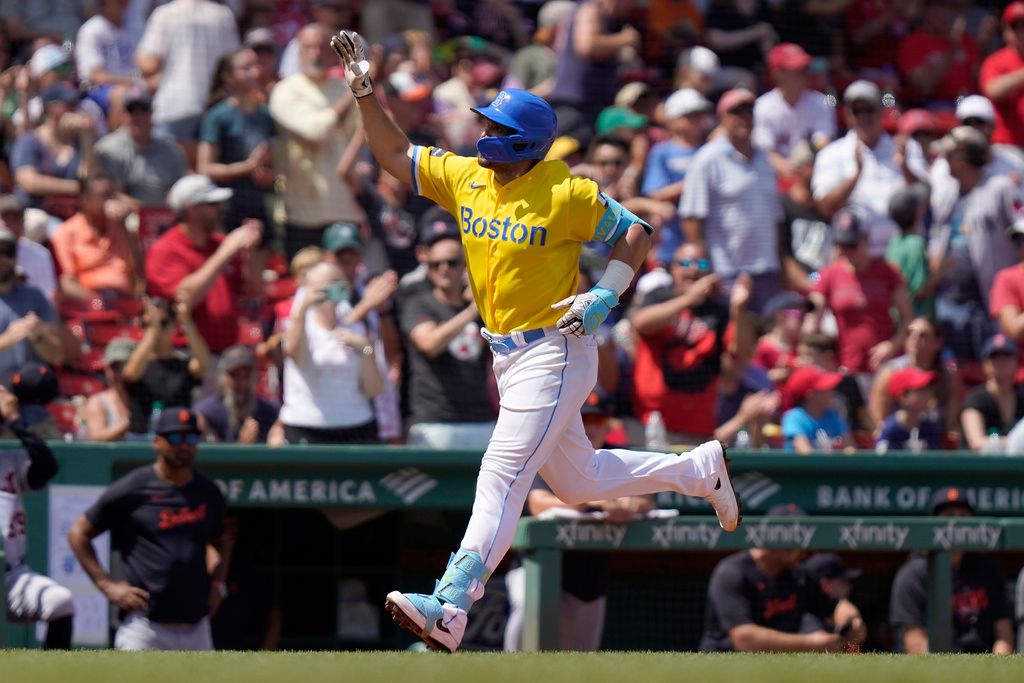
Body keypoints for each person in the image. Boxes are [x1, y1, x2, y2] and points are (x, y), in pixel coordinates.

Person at [330, 30, 740, 653]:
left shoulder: (562, 190)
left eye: (495, 126)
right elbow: (395, 153)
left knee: (501, 473)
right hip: (508, 355)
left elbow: (635, 232)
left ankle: (451, 604)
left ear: (523, 140)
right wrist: (365, 90)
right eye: (485, 122)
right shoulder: (467, 176)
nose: (483, 132)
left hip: (556, 348)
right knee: (578, 482)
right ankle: (695, 470)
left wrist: (606, 294)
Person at [67, 408, 230, 651]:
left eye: (190, 438)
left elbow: (221, 539)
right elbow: (78, 533)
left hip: (196, 625)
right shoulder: (135, 486)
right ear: (157, 442)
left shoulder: (207, 491)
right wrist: (106, 585)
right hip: (145, 626)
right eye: (175, 438)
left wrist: (218, 584)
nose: (183, 445)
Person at [503, 391, 654, 651]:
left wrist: (628, 505)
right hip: (538, 564)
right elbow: (538, 503)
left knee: (581, 659)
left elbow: (647, 500)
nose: (591, 428)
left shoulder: (615, 456)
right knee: (527, 622)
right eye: (585, 420)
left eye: (598, 421)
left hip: (589, 572)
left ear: (607, 425)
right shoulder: (549, 449)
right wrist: (592, 499)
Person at [630, 242, 755, 443]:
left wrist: (739, 309)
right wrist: (688, 300)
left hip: (697, 426)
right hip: (652, 423)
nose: (694, 269)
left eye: (702, 264)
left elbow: (741, 351)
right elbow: (641, 323)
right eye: (686, 263)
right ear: (673, 268)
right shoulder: (660, 295)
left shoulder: (718, 310)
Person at [700, 503, 867, 652]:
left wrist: (852, 620)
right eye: (795, 541)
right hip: (724, 665)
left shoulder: (799, 574)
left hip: (773, 667)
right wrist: (812, 644)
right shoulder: (732, 572)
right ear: (775, 536)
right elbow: (744, 639)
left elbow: (837, 606)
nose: (801, 550)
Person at [680, 88, 783, 316]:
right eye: (736, 112)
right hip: (727, 272)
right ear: (722, 118)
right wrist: (706, 270)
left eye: (749, 111)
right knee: (733, 335)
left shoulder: (765, 158)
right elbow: (691, 218)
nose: (744, 117)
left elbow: (775, 218)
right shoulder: (707, 159)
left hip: (767, 270)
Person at [269, 23, 364, 258]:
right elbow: (316, 132)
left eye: (321, 47)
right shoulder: (285, 91)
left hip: (347, 209)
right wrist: (353, 93)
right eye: (308, 47)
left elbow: (363, 134)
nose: (315, 54)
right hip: (304, 213)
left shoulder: (343, 87)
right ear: (298, 52)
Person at [145, 175, 262, 356]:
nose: (220, 209)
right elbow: (185, 297)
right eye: (212, 204)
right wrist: (226, 252)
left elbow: (253, 292)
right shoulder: (165, 249)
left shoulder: (220, 244)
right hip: (186, 353)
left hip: (227, 351)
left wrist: (251, 252)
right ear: (190, 209)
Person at [928, 126, 1018, 361]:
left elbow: (1021, 228)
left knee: (992, 362)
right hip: (951, 297)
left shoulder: (1000, 188)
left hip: (988, 298)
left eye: (949, 155)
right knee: (957, 367)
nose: (944, 160)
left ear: (963, 159)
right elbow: (936, 236)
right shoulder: (949, 193)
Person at [399, 229, 495, 449]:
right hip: (434, 421)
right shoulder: (418, 303)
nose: (444, 269)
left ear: (465, 266)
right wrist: (471, 311)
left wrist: (483, 298)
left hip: (480, 418)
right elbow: (430, 344)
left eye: (452, 263)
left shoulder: (481, 307)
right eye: (435, 264)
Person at [890, 486, 1014, 654]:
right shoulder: (913, 573)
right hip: (934, 663)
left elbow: (1004, 635)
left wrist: (997, 666)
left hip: (983, 661)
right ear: (934, 522)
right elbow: (915, 642)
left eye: (963, 517)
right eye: (949, 516)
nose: (956, 523)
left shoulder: (988, 568)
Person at [812, 80, 928, 257]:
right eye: (857, 111)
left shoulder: (907, 148)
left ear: (881, 111)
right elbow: (824, 207)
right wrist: (855, 177)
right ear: (847, 114)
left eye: (869, 110)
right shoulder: (831, 153)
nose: (863, 117)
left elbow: (926, 196)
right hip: (856, 259)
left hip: (900, 255)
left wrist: (904, 167)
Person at [1, 383, 74, 649]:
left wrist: (16, 421)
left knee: (60, 602)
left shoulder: (9, 460)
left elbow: (47, 466)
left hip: (10, 575)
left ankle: (51, 671)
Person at [280, 261, 383, 444]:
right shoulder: (300, 327)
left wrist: (364, 347)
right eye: (321, 287)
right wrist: (303, 308)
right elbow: (294, 354)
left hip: (355, 425)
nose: (328, 292)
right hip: (307, 425)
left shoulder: (357, 328)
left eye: (334, 285)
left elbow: (374, 388)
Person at [810, 207, 913, 379]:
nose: (847, 251)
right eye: (842, 245)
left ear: (866, 239)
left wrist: (892, 346)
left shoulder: (887, 272)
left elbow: (908, 319)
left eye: (852, 245)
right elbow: (813, 316)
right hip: (847, 366)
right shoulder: (829, 275)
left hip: (885, 366)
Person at [135, 0, 240, 157]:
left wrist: (138, 57)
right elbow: (234, 62)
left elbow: (148, 64)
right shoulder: (223, 15)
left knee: (167, 166)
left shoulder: (166, 13)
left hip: (174, 105)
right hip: (213, 104)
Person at [198, 47, 277, 233]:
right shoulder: (217, 116)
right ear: (229, 78)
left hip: (259, 205)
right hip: (228, 208)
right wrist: (248, 166)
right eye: (246, 68)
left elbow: (274, 165)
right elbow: (206, 168)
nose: (255, 72)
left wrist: (270, 176)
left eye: (256, 66)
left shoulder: (265, 115)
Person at [547, 0, 642, 147]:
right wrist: (626, 39)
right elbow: (588, 45)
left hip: (590, 108)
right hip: (574, 107)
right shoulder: (593, 9)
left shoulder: (610, 20)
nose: (631, 5)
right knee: (562, 153)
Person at [122, 298, 210, 439]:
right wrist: (152, 331)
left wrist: (187, 323)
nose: (158, 330)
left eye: (163, 323)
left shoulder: (182, 364)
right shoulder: (135, 361)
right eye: (147, 324)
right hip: (142, 439)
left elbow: (203, 365)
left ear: (174, 326)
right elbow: (131, 374)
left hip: (177, 439)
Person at [641, 88, 710, 264]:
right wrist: (693, 183)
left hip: (708, 240)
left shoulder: (709, 150)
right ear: (674, 119)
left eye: (700, 115)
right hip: (671, 244)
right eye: (690, 115)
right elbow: (655, 193)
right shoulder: (662, 152)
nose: (697, 120)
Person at [50, 172, 142, 303]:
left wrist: (123, 226)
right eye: (104, 196)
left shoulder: (120, 226)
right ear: (84, 199)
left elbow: (136, 271)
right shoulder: (66, 233)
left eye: (113, 196)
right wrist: (97, 301)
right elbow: (66, 283)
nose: (110, 202)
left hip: (124, 300)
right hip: (91, 303)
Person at [93, 87, 189, 207]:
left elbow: (179, 192)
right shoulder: (108, 149)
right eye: (132, 110)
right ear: (123, 115)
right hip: (125, 214)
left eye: (143, 109)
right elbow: (109, 194)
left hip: (163, 214)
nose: (138, 116)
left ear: (152, 113)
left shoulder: (172, 151)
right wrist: (144, 211)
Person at [753, 43, 836, 175]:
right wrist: (789, 172)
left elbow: (823, 141)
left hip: (812, 173)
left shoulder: (822, 102)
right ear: (777, 74)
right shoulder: (762, 106)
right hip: (774, 175)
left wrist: (805, 160)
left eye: (804, 69)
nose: (803, 74)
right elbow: (765, 152)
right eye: (796, 69)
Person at [867, 316, 955, 437]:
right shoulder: (890, 372)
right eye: (909, 333)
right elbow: (879, 420)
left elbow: (951, 424)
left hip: (933, 440)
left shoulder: (947, 375)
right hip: (898, 441)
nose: (914, 338)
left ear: (937, 342)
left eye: (922, 335)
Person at [0, 227, 65, 373]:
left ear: (15, 257)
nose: (2, 258)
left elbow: (58, 356)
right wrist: (6, 340)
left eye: (8, 252)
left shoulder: (35, 297)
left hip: (30, 383)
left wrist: (39, 337)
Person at [897, 0, 979, 107]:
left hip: (966, 101)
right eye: (935, 7)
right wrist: (951, 52)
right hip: (933, 104)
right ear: (925, 11)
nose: (940, 12)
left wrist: (983, 44)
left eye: (945, 7)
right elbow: (925, 87)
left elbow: (977, 77)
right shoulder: (913, 42)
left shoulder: (965, 40)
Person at [194, 345, 280, 444]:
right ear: (223, 378)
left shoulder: (270, 412)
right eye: (235, 376)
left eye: (246, 376)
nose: (242, 383)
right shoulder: (208, 413)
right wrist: (242, 446)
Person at [960, 334, 1024, 452]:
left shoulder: (1022, 395)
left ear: (1017, 362)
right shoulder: (975, 399)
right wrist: (1013, 442)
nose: (1001, 361)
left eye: (1007, 355)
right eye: (994, 356)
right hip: (980, 463)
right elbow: (977, 443)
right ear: (984, 364)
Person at [980, 2, 1024, 156]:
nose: (1021, 32)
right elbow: (993, 90)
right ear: (1005, 30)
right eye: (1016, 27)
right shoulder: (996, 61)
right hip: (1007, 146)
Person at [885, 184, 933, 318]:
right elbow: (920, 289)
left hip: (897, 315)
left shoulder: (894, 241)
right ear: (917, 213)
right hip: (915, 316)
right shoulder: (916, 244)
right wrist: (941, 270)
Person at [781, 366, 853, 453]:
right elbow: (805, 452)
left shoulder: (832, 416)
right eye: (826, 389)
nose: (832, 393)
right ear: (811, 394)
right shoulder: (794, 417)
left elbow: (849, 448)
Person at [0, 194, 56, 299]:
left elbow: (47, 295)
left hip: (28, 307)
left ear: (23, 224)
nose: (11, 225)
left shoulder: (40, 254)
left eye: (16, 220)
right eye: (6, 219)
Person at [876, 367, 942, 452]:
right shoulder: (890, 429)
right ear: (903, 396)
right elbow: (882, 457)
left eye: (928, 389)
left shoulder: (929, 428)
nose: (928, 394)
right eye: (921, 390)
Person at [83, 337, 134, 442]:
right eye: (114, 367)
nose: (118, 374)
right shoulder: (98, 402)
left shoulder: (149, 398)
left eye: (124, 367)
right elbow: (97, 437)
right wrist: (129, 423)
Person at [754, 291, 809, 386]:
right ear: (781, 316)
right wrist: (779, 375)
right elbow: (753, 378)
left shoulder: (803, 346)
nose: (804, 320)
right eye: (800, 315)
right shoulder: (763, 348)